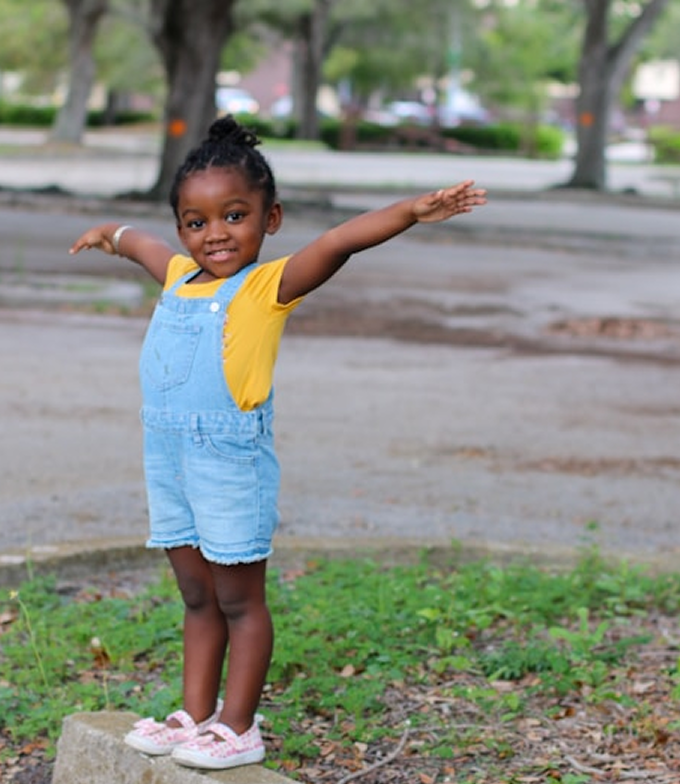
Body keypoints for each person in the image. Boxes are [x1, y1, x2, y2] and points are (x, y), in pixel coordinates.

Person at [68, 115, 487, 770]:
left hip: (228, 463)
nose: (215, 234)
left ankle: (238, 726)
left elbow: (340, 242)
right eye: (196, 222)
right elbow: (143, 244)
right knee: (197, 596)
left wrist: (412, 211)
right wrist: (111, 235)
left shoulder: (269, 286)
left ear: (271, 219)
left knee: (239, 600)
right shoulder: (178, 275)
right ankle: (196, 714)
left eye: (234, 216)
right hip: (170, 459)